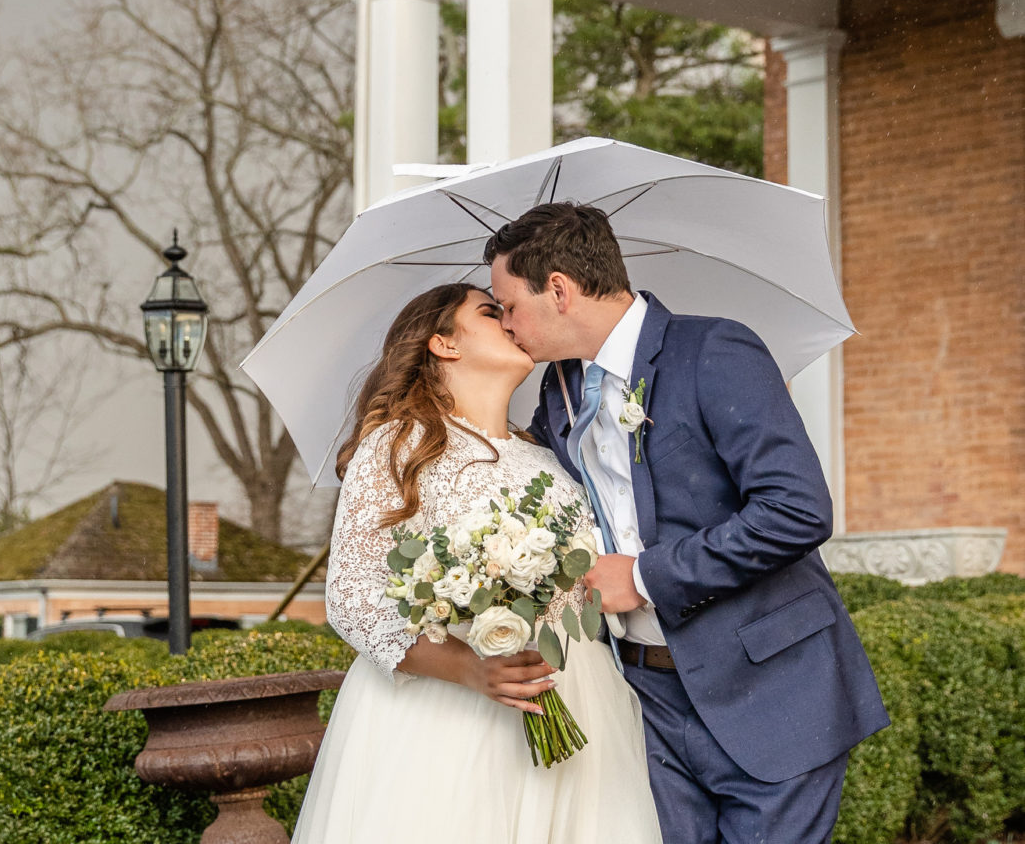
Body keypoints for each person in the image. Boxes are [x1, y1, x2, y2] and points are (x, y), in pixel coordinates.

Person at [488, 201, 889, 844]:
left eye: (508, 306)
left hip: (770, 689)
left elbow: (796, 510)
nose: (506, 324)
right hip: (641, 697)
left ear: (558, 289)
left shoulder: (714, 350)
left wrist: (643, 578)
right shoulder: (557, 394)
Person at [292, 281, 662, 844]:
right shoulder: (401, 445)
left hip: (578, 692)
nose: (512, 322)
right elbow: (353, 599)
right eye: (492, 312)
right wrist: (471, 667)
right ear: (444, 344)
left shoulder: (552, 457)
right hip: (448, 710)